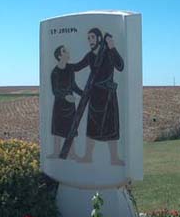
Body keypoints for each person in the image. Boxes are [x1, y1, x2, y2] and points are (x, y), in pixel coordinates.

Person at [72, 27, 125, 165]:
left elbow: (120, 66)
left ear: (99, 39)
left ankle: (114, 158)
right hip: (95, 96)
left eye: (92, 37)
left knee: (111, 127)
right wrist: (65, 66)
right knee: (92, 127)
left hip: (108, 96)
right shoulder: (90, 56)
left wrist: (112, 47)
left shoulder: (108, 53)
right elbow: (77, 67)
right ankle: (88, 156)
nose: (90, 40)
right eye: (88, 38)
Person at [48, 45, 83, 160]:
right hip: (59, 104)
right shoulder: (55, 72)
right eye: (65, 51)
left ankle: (72, 153)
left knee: (71, 129)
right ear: (59, 56)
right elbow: (55, 91)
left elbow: (73, 86)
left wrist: (83, 94)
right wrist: (65, 96)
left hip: (70, 105)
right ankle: (56, 152)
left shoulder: (70, 69)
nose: (68, 52)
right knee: (58, 129)